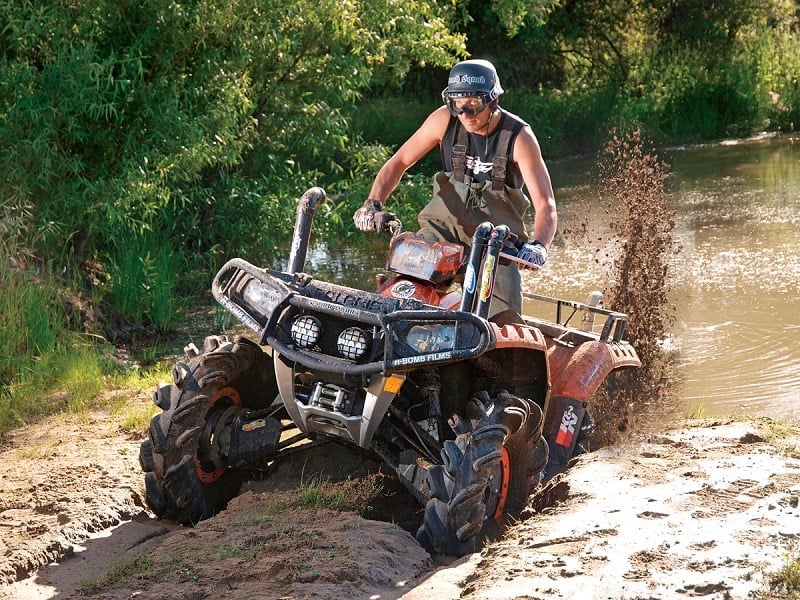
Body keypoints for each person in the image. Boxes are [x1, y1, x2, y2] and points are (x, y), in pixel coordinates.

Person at [353, 58, 557, 320]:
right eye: (457, 106)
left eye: (474, 105)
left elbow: (546, 203)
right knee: (404, 299)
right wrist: (373, 202)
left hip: (497, 246)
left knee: (503, 325)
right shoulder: (443, 121)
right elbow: (400, 162)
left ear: (493, 100)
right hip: (441, 234)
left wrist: (539, 245)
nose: (465, 115)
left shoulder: (519, 137)